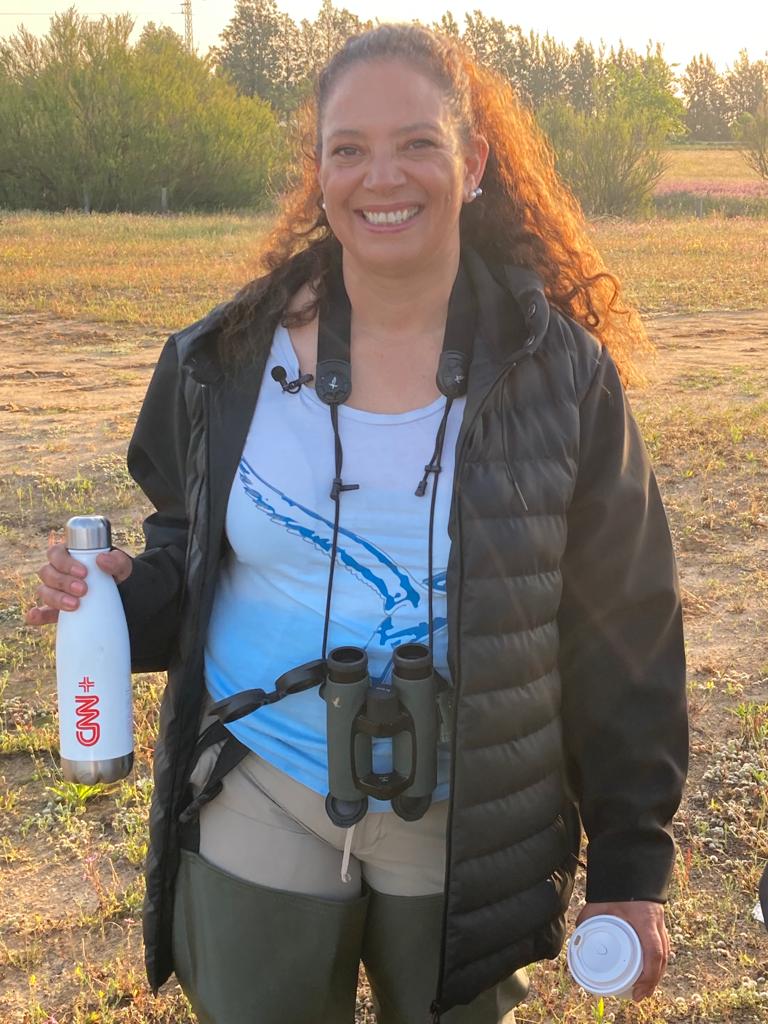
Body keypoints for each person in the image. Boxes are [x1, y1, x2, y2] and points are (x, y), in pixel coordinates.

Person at [26, 23, 688, 1024]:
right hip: (260, 782)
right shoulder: (221, 361)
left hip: (472, 821)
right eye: (350, 148)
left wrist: (632, 864)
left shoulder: (563, 378)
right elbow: (187, 553)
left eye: (417, 142)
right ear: (320, 170)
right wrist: (124, 593)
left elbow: (627, 625)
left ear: (473, 161)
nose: (383, 176)